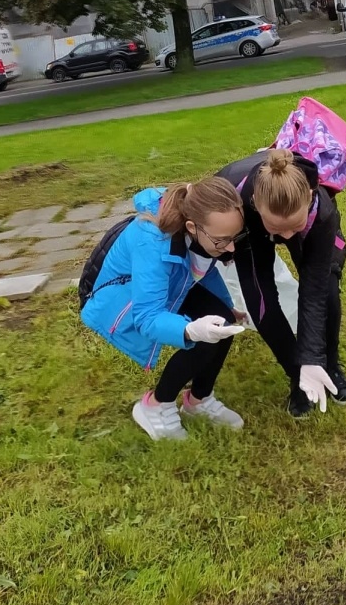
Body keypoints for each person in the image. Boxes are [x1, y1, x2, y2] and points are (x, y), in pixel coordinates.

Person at [79, 178, 248, 441]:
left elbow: (203, 268)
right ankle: (155, 405)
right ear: (192, 227)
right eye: (222, 240)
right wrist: (190, 329)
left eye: (234, 237)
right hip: (121, 303)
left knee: (222, 322)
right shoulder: (152, 241)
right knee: (202, 335)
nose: (230, 248)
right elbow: (146, 317)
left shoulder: (200, 225)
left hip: (169, 284)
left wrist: (228, 305)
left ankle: (198, 401)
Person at [216, 148, 346, 418]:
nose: (287, 236)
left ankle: (329, 365)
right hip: (248, 229)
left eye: (294, 227)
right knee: (260, 300)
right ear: (257, 203)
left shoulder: (322, 212)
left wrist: (314, 357)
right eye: (279, 230)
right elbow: (262, 300)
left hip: (308, 224)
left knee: (325, 289)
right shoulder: (231, 201)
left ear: (309, 197)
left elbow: (313, 293)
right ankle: (297, 377)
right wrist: (300, 367)